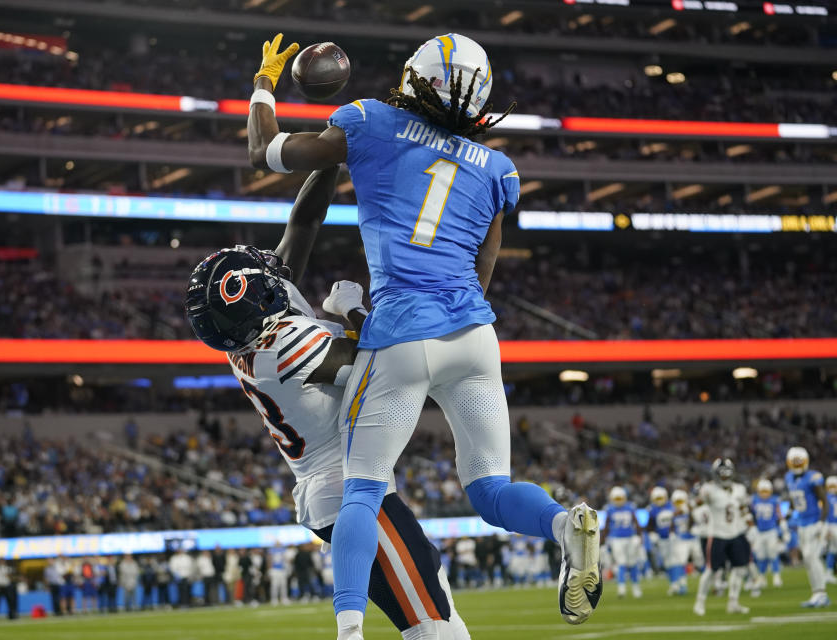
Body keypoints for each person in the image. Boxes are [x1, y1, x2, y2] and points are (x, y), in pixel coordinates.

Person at [243, 32, 600, 638]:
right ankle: (563, 525)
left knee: (363, 488)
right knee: (491, 490)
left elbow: (266, 152)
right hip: (474, 336)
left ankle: (350, 629)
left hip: (403, 334)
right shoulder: (497, 167)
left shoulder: (371, 121)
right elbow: (484, 268)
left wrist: (262, 86)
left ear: (417, 78)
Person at [185, 175, 469, 638]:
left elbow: (304, 221)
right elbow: (386, 358)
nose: (271, 269)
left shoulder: (253, 333)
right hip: (346, 490)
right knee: (433, 624)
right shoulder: (281, 346)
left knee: (431, 610)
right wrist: (351, 311)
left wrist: (331, 157)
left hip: (337, 490)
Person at [693, 459, 752, 616]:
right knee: (711, 570)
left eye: (727, 474)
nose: (724, 477)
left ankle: (733, 602)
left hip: (736, 533)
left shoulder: (739, 489)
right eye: (722, 474)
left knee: (740, 569)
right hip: (717, 535)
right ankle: (700, 602)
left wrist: (748, 523)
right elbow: (696, 504)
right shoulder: (709, 489)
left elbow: (743, 508)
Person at [784, 446, 831, 607]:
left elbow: (824, 501)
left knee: (812, 557)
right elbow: (793, 497)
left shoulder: (813, 477)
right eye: (794, 463)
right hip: (802, 524)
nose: (797, 466)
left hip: (815, 522)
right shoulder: (789, 478)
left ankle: (822, 594)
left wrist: (822, 522)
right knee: (808, 560)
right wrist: (790, 511)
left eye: (799, 463)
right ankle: (816, 593)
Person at [601, 487, 642, 599]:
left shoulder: (630, 507)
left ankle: (635, 587)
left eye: (620, 498)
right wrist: (603, 540)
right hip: (616, 539)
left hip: (629, 538)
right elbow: (606, 526)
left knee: (632, 563)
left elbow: (636, 522)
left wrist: (640, 536)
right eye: (617, 498)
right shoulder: (610, 509)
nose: (619, 500)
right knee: (621, 563)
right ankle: (622, 588)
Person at [750, 479, 785, 589]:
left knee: (773, 553)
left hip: (771, 530)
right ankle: (762, 577)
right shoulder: (754, 499)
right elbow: (751, 514)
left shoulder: (774, 500)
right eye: (762, 491)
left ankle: (776, 576)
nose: (764, 494)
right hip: (759, 532)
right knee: (761, 555)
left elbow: (779, 514)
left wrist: (783, 525)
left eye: (766, 491)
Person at [668, 489, 701, 595]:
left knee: (701, 561)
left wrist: (695, 528)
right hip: (681, 540)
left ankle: (714, 583)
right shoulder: (673, 512)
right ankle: (682, 584)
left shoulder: (691, 510)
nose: (679, 504)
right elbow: (671, 524)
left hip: (693, 538)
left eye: (681, 501)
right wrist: (672, 533)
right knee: (680, 562)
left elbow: (696, 520)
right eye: (677, 502)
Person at [647, 487, 679, 593]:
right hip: (662, 539)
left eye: (661, 497)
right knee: (667, 562)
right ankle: (674, 583)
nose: (659, 500)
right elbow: (650, 525)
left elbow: (678, 520)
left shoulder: (672, 506)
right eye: (657, 498)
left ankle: (679, 582)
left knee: (677, 560)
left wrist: (675, 532)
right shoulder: (652, 509)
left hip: (675, 537)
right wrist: (652, 534)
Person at [826, 476, 837, 582]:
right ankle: (829, 573)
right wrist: (827, 528)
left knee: (833, 550)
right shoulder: (826, 497)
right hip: (832, 526)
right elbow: (824, 514)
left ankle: (829, 573)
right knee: (832, 550)